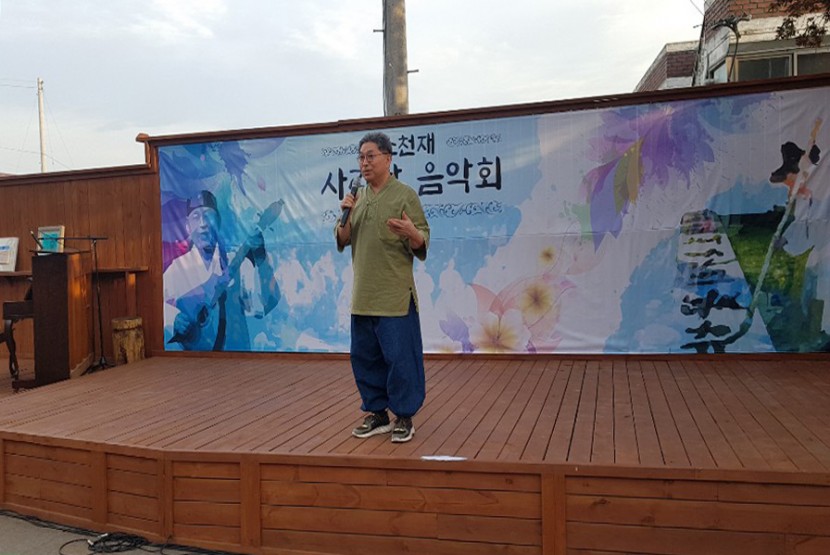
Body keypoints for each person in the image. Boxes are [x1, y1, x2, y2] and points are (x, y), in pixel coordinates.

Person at [335, 132, 430, 443]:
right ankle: (377, 414)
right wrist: (346, 213)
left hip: (394, 295)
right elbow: (342, 238)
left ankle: (404, 416)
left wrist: (411, 232)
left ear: (388, 159)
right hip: (363, 295)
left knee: (401, 359)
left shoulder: (405, 195)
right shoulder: (356, 198)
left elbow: (422, 241)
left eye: (371, 156)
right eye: (361, 157)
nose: (364, 163)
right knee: (365, 358)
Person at [163, 190, 281, 351]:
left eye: (208, 216)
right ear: (187, 227)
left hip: (235, 358)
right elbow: (155, 305)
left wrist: (260, 256)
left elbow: (267, 303)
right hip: (194, 361)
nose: (203, 224)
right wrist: (173, 319)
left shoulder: (237, 263)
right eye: (196, 217)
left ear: (218, 221)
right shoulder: (177, 269)